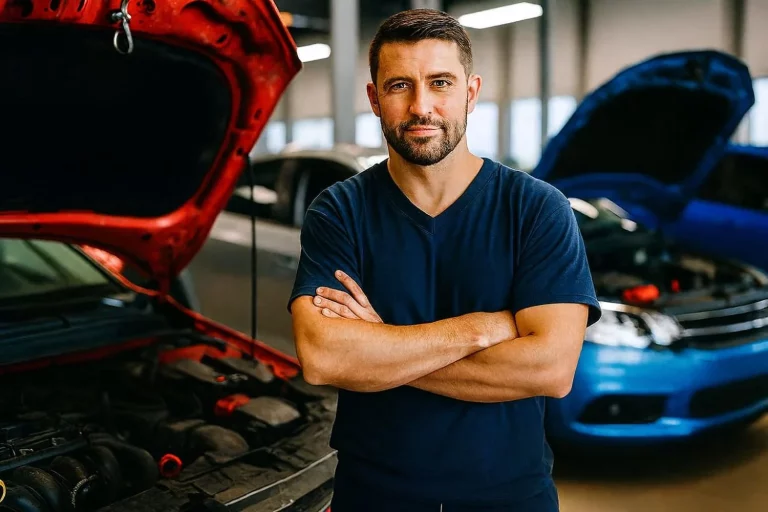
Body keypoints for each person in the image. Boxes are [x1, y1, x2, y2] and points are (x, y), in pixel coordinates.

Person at [287, 8, 601, 512]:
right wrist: (480, 329)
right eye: (399, 86)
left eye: (440, 83)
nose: (421, 106)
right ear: (373, 98)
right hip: (374, 493)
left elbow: (551, 368)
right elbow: (325, 359)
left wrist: (377, 350)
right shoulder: (340, 210)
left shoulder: (536, 207)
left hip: (509, 494)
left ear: (470, 93)